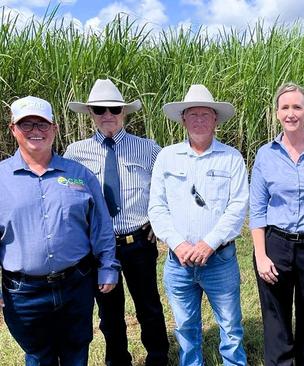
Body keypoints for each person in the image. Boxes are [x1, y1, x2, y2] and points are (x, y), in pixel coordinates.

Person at [0, 96, 119, 365]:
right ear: (13, 130)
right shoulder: (1, 179)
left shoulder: (79, 174)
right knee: (38, 356)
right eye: (26, 125)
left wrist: (108, 266)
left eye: (42, 125)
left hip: (76, 284)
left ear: (54, 129)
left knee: (76, 351)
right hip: (24, 292)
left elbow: (100, 225)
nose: (35, 132)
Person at [64, 79, 169, 366]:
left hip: (137, 241)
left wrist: (158, 222)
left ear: (124, 112)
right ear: (91, 114)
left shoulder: (148, 149)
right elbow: (67, 198)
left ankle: (158, 358)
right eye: (100, 109)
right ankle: (117, 361)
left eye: (114, 109)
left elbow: (169, 186)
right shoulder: (75, 153)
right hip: (98, 247)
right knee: (109, 312)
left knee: (148, 306)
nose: (108, 115)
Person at [148, 84, 248, 366]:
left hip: (219, 260)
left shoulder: (231, 158)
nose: (199, 120)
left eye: (206, 114)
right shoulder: (167, 157)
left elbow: (238, 206)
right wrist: (178, 244)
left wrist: (208, 243)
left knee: (230, 327)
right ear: (183, 120)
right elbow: (157, 207)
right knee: (185, 328)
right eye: (193, 114)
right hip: (178, 262)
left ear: (215, 119)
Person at [249, 83, 304, 366]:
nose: (291, 113)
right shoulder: (266, 155)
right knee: (276, 317)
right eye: (285, 108)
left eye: (297, 107)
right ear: (276, 114)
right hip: (276, 243)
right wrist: (261, 256)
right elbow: (258, 209)